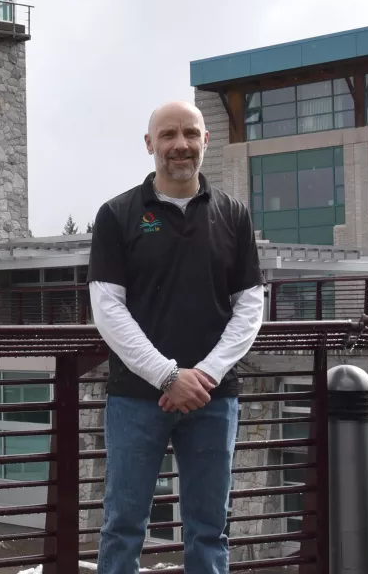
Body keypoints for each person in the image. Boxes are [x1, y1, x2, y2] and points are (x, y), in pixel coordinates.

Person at [88, 100, 264, 573]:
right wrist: (168, 376)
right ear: (150, 144)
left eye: (190, 133)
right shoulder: (116, 215)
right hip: (136, 397)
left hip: (214, 397)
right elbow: (107, 308)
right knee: (123, 526)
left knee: (209, 528)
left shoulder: (234, 215)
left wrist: (202, 375)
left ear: (206, 141)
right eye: (168, 135)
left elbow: (249, 306)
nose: (179, 145)